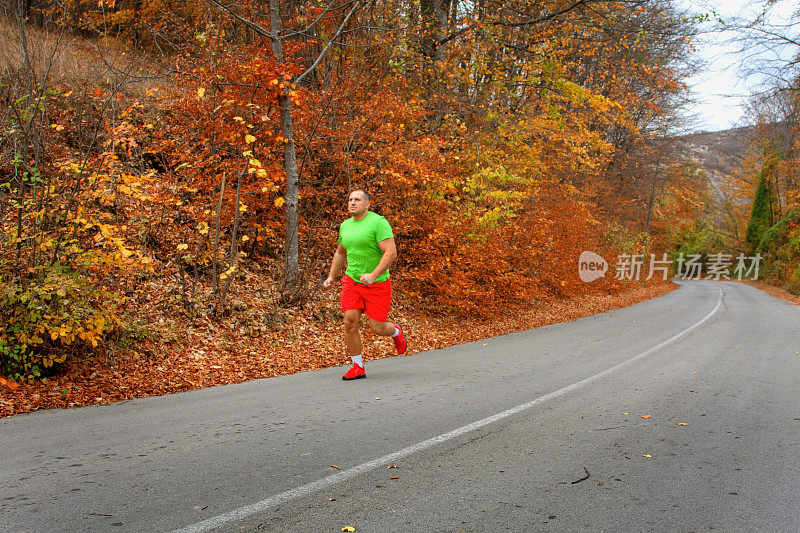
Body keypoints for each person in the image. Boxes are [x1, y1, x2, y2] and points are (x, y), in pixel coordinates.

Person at [323, 189, 407, 380]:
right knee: (349, 321)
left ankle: (396, 331)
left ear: (367, 204)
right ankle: (357, 366)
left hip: (377, 284)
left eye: (357, 200)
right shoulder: (345, 226)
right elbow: (341, 252)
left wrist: (373, 274)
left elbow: (390, 253)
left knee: (376, 327)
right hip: (351, 281)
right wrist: (332, 276)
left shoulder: (378, 223)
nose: (352, 203)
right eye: (350, 200)